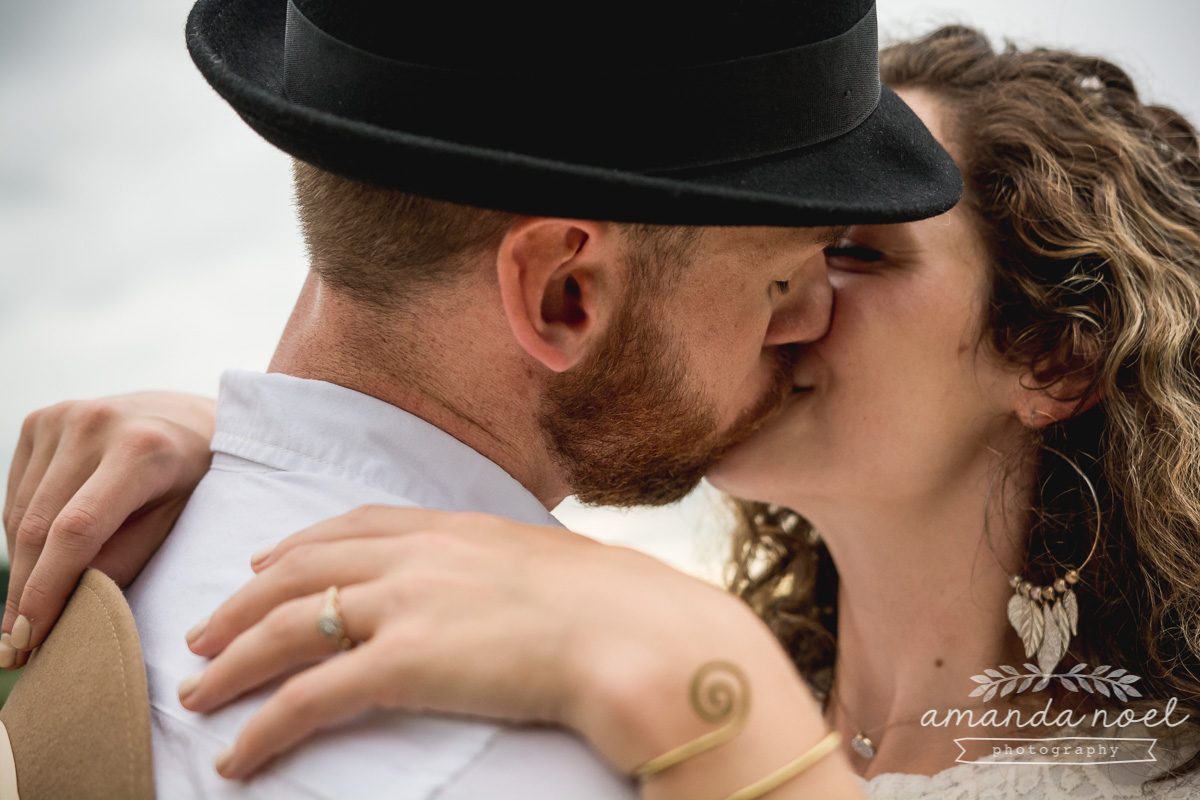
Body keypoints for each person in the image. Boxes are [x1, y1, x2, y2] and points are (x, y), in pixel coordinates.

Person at [9, 23, 1200, 800]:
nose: (795, 304)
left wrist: (717, 688)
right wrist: (268, 441)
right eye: (779, 246)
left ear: (1049, 352)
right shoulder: (597, 670)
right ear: (568, 294)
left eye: (854, 248)